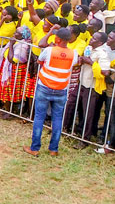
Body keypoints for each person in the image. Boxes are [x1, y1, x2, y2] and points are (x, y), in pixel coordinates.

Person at [25, 27, 76, 157]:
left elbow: (39, 61)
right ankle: (54, 149)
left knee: (39, 117)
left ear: (57, 38)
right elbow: (73, 65)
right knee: (57, 119)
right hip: (61, 89)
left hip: (45, 87)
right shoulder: (74, 53)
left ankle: (35, 148)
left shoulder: (49, 50)